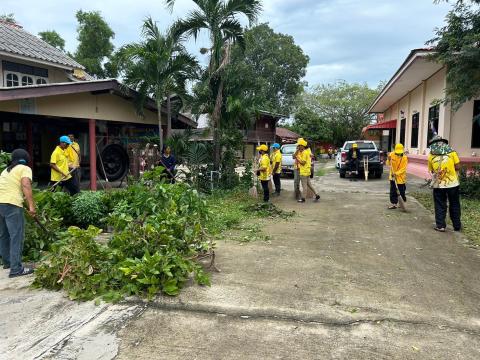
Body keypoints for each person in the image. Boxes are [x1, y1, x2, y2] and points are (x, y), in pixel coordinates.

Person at [0, 149, 36, 277]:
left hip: (1, 204)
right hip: (12, 204)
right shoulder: (24, 168)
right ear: (26, 159)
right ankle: (16, 269)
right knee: (16, 236)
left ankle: (8, 263)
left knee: (4, 235)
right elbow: (26, 185)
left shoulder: (6, 170)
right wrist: (31, 206)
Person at [428, 135, 462, 232]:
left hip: (439, 185)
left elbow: (431, 170)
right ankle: (457, 226)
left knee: (440, 204)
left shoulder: (431, 155)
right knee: (455, 204)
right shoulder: (452, 152)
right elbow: (458, 166)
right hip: (453, 184)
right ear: (443, 142)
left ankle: (441, 226)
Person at [295, 138, 320, 203]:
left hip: (304, 171)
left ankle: (303, 198)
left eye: (299, 145)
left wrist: (297, 158)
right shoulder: (306, 152)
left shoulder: (304, 153)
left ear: (302, 146)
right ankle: (316, 195)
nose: (298, 147)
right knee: (309, 185)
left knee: (304, 186)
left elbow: (303, 163)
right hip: (307, 171)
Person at [386, 143, 408, 209]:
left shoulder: (404, 158)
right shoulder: (392, 154)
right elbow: (388, 164)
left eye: (399, 153)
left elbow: (403, 169)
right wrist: (388, 159)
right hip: (392, 176)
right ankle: (394, 204)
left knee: (402, 191)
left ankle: (402, 203)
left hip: (401, 177)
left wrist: (396, 173)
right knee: (393, 191)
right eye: (397, 152)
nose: (398, 154)